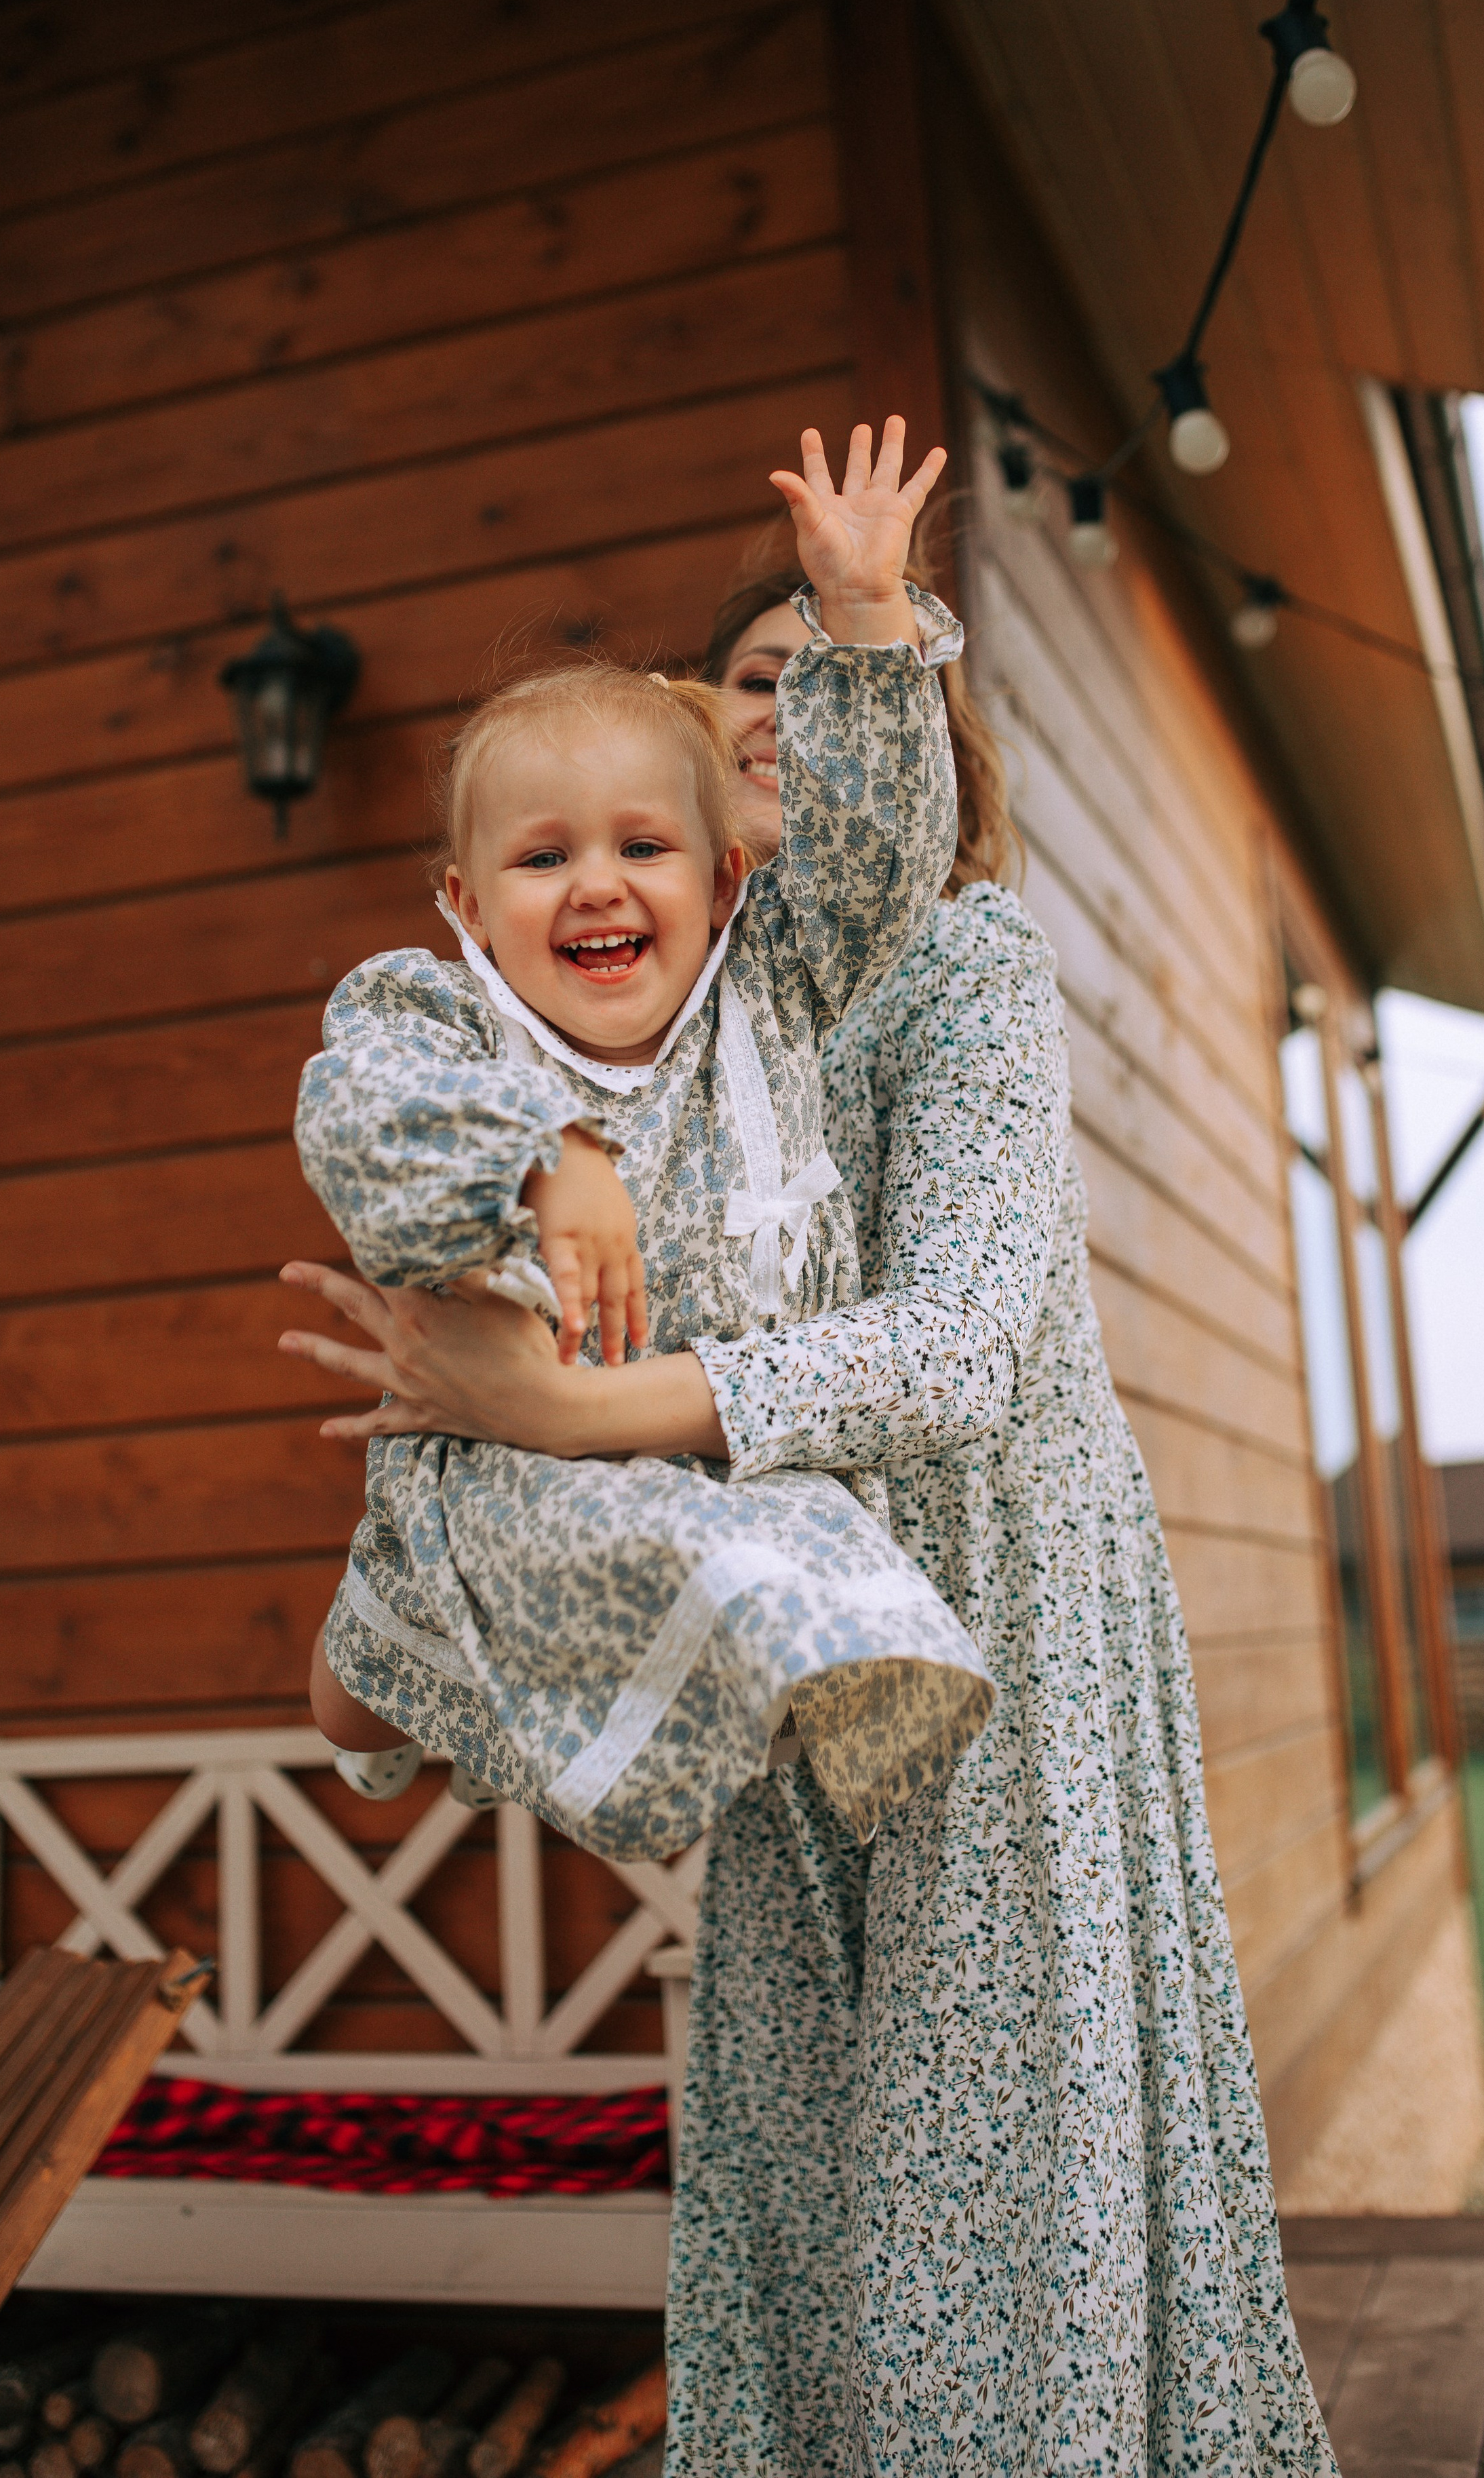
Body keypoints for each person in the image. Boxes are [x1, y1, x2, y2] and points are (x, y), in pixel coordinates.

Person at [280, 528, 1337, 2473]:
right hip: (780, 1608)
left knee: (996, 2149)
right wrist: (507, 1320)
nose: (788, 713)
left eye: (823, 690)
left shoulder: (944, 950)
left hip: (977, 1606)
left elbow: (963, 1352)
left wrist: (568, 1410)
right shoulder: (664, 1001)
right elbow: (406, 1125)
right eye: (752, 684)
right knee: (816, 2143)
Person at [290, 419, 993, 1865]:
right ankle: (392, 1627)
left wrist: (866, 623)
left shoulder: (779, 982)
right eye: (541, 858)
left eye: (642, 848)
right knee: (381, 1700)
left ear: (729, 876)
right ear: (468, 903)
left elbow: (880, 856)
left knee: (829, 1594)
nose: (594, 885)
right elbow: (361, 1116)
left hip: (716, 1462)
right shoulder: (430, 1010)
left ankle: (506, 1675)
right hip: (515, 1459)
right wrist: (548, 1152)